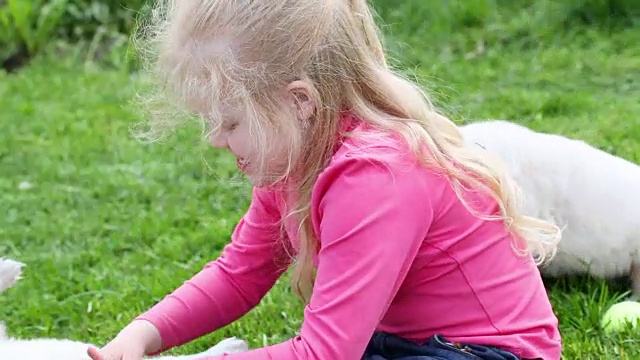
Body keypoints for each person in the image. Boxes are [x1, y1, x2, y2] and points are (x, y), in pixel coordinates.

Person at [88, 0, 563, 359]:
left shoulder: (377, 176)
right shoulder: (293, 159)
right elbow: (238, 275)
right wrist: (141, 334)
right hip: (406, 345)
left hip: (486, 353)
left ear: (299, 102)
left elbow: (323, 354)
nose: (215, 139)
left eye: (230, 122)